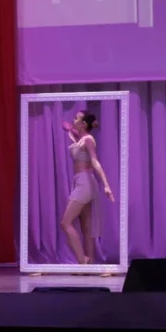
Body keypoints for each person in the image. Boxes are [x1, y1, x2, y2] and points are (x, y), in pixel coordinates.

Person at [59, 111, 114, 265]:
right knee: (86, 227)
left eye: (76, 118)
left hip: (85, 183)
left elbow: (95, 161)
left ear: (83, 124)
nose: (73, 119)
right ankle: (89, 265)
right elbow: (75, 134)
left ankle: (83, 260)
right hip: (81, 181)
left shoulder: (88, 140)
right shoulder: (82, 139)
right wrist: (70, 129)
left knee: (65, 223)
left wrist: (106, 185)